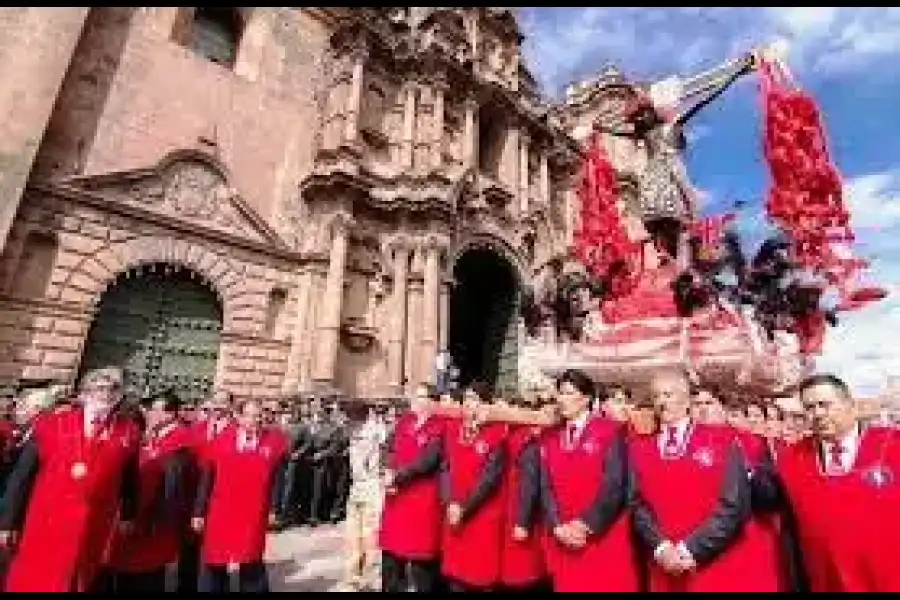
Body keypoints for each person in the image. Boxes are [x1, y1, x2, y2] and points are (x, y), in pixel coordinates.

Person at [0, 367, 141, 592]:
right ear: (84, 393)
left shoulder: (129, 432)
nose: (105, 394)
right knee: (36, 578)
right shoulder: (50, 424)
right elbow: (22, 476)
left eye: (113, 389)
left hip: (92, 524)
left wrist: (128, 513)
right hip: (47, 520)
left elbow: (129, 476)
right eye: (99, 388)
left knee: (79, 579)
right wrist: (8, 522)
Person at [760, 374, 900, 591]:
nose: (817, 414)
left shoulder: (891, 445)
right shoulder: (791, 460)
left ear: (849, 405)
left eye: (824, 405)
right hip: (826, 581)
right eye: (809, 408)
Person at [629, 367, 752, 592]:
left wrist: (690, 549)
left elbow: (734, 505)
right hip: (663, 564)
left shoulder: (722, 440)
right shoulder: (639, 448)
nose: (661, 402)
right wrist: (661, 548)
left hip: (712, 560)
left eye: (668, 395)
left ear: (687, 401)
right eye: (656, 396)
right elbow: (637, 505)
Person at [537, 369, 637, 592]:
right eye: (559, 393)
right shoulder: (550, 437)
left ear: (585, 398)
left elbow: (614, 486)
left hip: (602, 537)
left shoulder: (610, 431)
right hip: (563, 537)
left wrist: (585, 525)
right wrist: (557, 526)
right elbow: (545, 487)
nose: (561, 399)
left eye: (568, 393)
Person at [192, 398, 287, 593]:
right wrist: (199, 512)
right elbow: (206, 479)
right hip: (221, 512)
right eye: (251, 415)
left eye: (259, 416)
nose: (256, 420)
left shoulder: (274, 442)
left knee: (251, 560)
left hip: (253, 513)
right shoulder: (221, 440)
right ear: (239, 417)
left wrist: (274, 509)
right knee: (215, 561)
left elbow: (278, 481)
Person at [107, 390, 192, 592]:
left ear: (170, 415)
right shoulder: (151, 434)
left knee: (148, 572)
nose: (149, 414)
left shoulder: (180, 439)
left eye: (154, 410)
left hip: (155, 515)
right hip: (137, 510)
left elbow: (172, 482)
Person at [439, 381, 507, 592]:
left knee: (478, 578)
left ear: (486, 404)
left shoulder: (497, 434)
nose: (469, 404)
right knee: (455, 576)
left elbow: (489, 478)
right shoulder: (452, 430)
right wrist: (449, 502)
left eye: (474, 399)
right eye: (466, 399)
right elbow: (445, 468)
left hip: (480, 515)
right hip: (454, 513)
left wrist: (464, 507)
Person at [379, 384, 443, 593]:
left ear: (432, 401)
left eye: (421, 396)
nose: (415, 399)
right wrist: (387, 469)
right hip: (396, 500)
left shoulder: (438, 427)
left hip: (420, 502)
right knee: (390, 557)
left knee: (419, 563)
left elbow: (427, 461)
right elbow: (387, 448)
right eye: (415, 395)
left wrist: (397, 477)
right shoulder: (404, 421)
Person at [498, 395, 548, 593]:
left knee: (521, 572)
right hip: (509, 508)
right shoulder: (513, 436)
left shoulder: (526, 441)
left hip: (519, 513)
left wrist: (522, 522)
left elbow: (529, 484)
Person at [341, 408, 387, 591]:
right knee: (352, 535)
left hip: (372, 485)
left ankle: (371, 577)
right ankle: (353, 577)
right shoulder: (352, 429)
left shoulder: (376, 429)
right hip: (357, 486)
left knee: (371, 536)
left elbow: (384, 443)